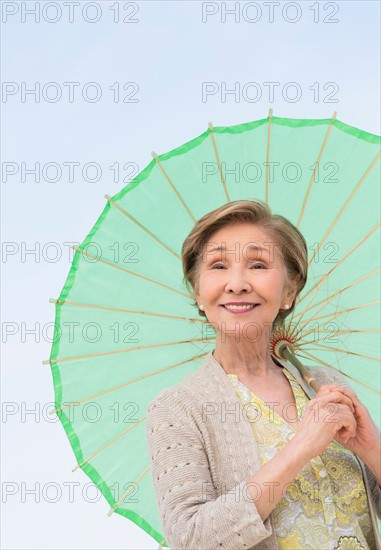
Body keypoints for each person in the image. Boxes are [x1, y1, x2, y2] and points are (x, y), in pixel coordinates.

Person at [146, 199, 381, 550]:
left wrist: (371, 448)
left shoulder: (325, 385)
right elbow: (192, 538)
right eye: (218, 265)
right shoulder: (178, 409)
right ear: (197, 292)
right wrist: (300, 447)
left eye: (258, 264)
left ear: (289, 290)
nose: (237, 284)